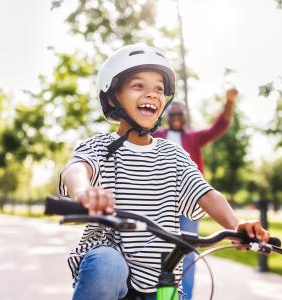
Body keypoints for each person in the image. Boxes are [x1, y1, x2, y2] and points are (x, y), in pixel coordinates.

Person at [59, 44, 269, 300]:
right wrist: (84, 192)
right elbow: (77, 169)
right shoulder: (100, 146)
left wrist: (237, 225)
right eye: (138, 86)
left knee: (172, 292)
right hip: (110, 256)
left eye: (158, 88)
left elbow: (206, 194)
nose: (152, 94)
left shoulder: (174, 154)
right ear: (113, 97)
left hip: (162, 273)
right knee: (106, 264)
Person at [152, 89, 237, 299]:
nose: (176, 118)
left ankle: (184, 297)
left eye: (180, 114)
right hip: (161, 199)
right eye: (172, 114)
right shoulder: (156, 135)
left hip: (189, 200)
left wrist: (229, 102)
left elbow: (219, 127)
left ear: (185, 117)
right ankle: (155, 294)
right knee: (158, 250)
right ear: (167, 116)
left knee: (188, 253)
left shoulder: (193, 137)